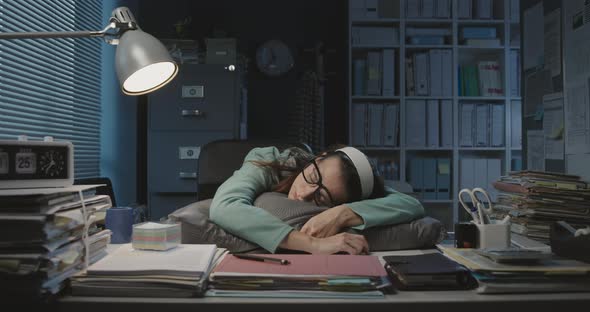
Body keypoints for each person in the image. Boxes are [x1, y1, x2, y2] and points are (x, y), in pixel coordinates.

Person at [209, 145, 424, 255]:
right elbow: (225, 206)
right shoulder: (269, 160)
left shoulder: (347, 198)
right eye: (312, 177)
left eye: (321, 197)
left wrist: (342, 214)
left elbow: (410, 203)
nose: (303, 194)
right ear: (318, 158)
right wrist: (314, 243)